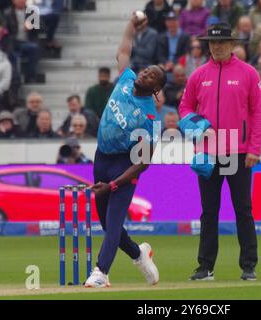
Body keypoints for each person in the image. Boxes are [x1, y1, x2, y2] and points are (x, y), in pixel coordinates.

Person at [83, 14, 167, 288]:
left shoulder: (149, 117)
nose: (145, 72)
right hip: (101, 156)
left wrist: (115, 184)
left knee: (114, 219)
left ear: (156, 88)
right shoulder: (127, 77)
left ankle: (101, 272)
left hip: (125, 165)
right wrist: (132, 25)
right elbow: (123, 50)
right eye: (147, 69)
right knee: (110, 227)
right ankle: (139, 253)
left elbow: (144, 162)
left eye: (152, 74)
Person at [179, 23, 261, 281]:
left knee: (243, 209)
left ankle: (248, 265)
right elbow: (184, 107)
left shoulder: (248, 74)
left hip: (238, 152)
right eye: (212, 43)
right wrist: (196, 124)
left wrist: (254, 148)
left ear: (231, 44)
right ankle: (206, 267)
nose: (216, 47)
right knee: (209, 211)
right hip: (207, 154)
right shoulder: (198, 75)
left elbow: (259, 112)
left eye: (221, 42)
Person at [4, 0, 40, 83]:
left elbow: (41, 28)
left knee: (34, 48)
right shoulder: (8, 13)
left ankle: (30, 77)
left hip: (27, 41)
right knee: (10, 51)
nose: (21, 1)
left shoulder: (32, 12)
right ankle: (15, 78)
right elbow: (5, 31)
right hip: (13, 42)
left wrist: (32, 25)